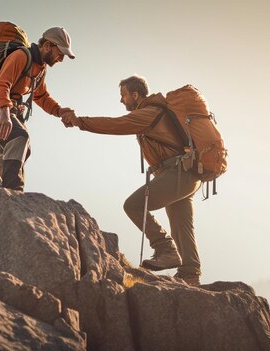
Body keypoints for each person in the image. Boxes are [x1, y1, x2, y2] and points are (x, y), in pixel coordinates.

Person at [62, 75, 203, 286]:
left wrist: (80, 122)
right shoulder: (155, 111)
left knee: (134, 205)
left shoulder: (149, 113)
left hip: (178, 172)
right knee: (181, 224)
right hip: (187, 173)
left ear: (135, 95)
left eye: (123, 95)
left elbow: (116, 125)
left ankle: (165, 248)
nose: (121, 100)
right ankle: (191, 274)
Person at [0, 27, 76, 191]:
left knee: (24, 148)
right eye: (60, 53)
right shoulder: (21, 56)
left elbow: (41, 96)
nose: (61, 59)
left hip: (9, 110)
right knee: (19, 138)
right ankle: (13, 191)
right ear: (47, 46)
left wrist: (60, 111)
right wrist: (4, 113)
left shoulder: (40, 68)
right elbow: (2, 84)